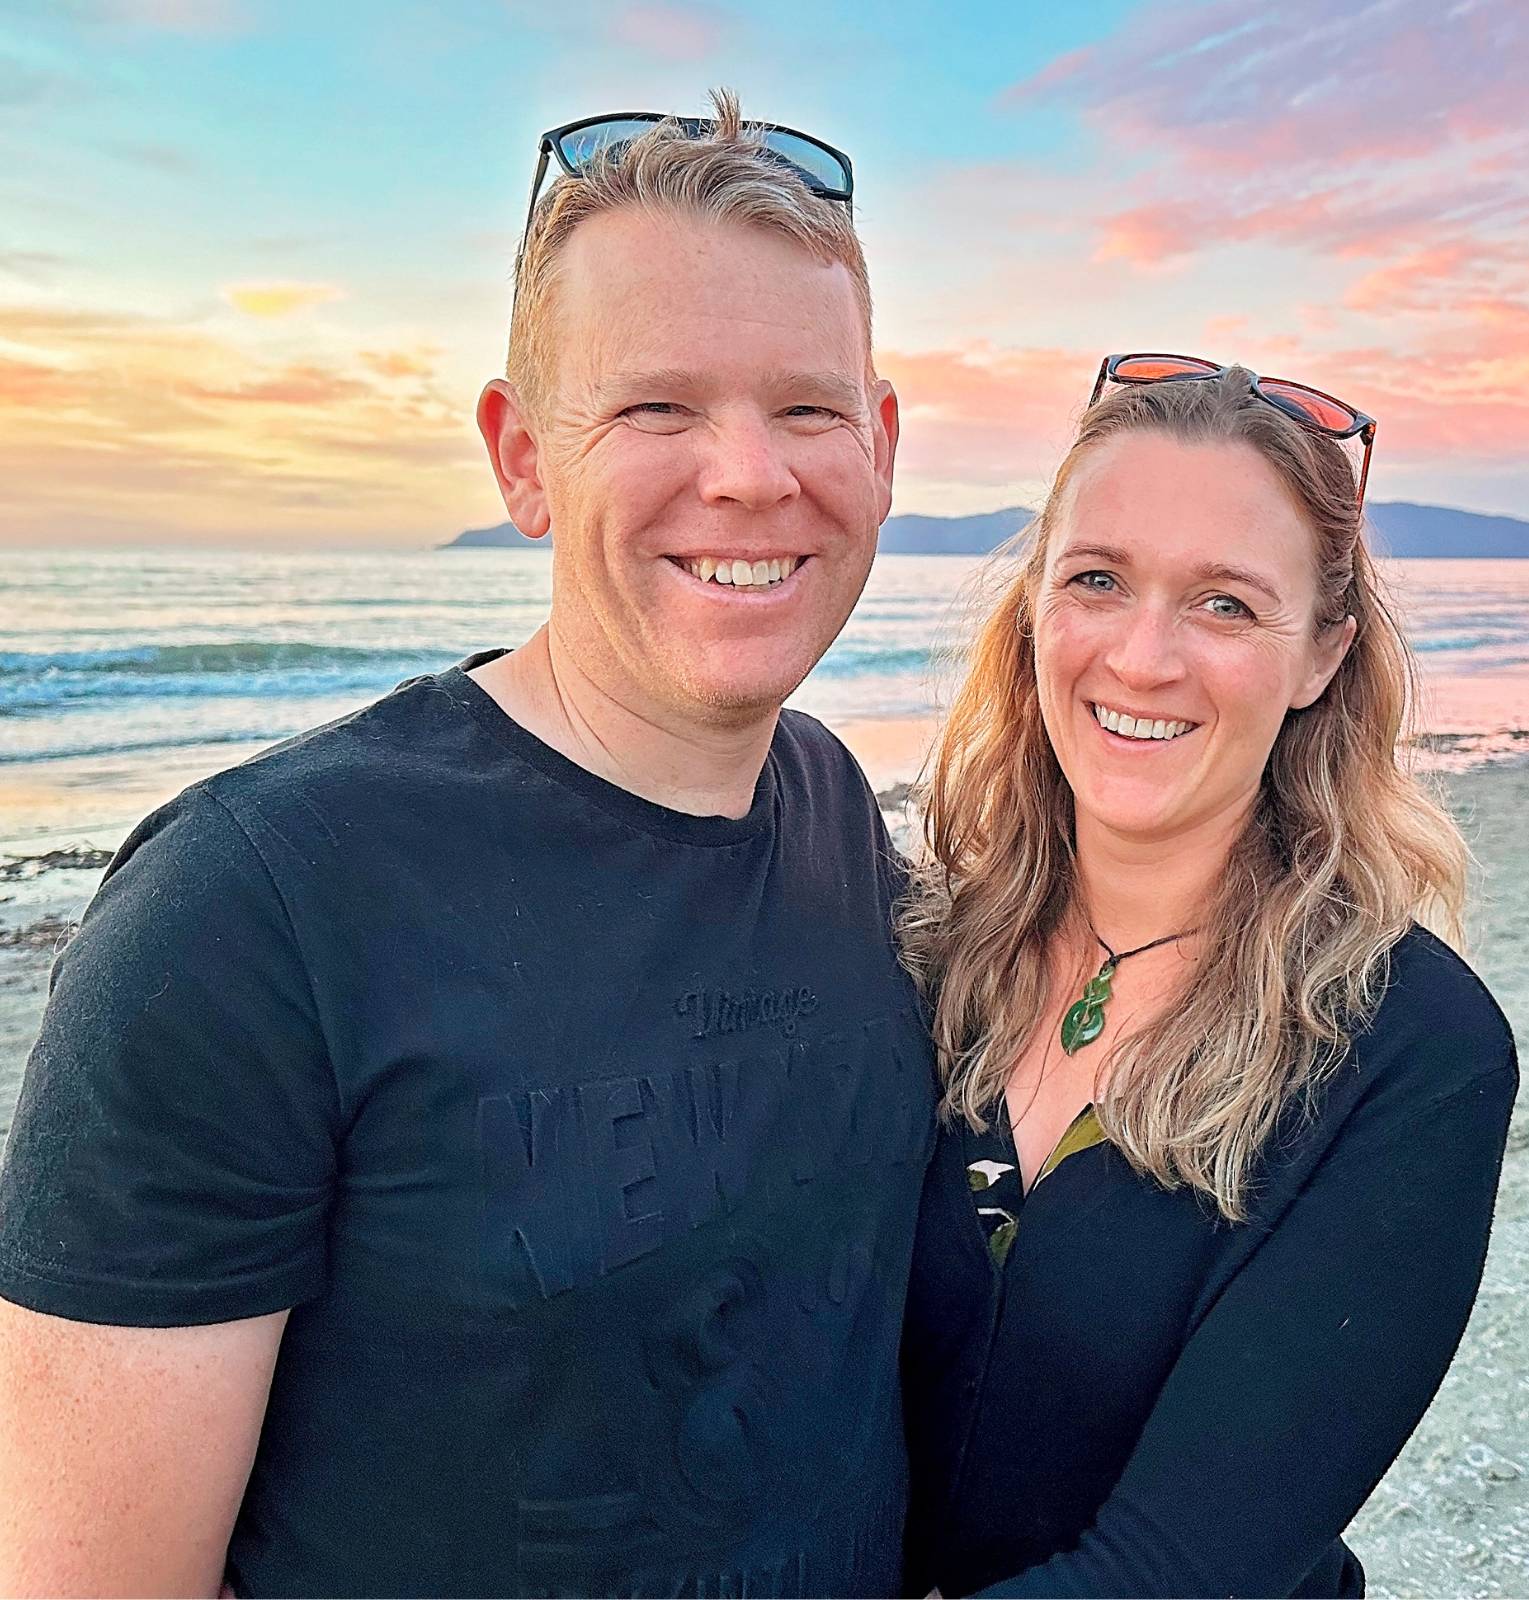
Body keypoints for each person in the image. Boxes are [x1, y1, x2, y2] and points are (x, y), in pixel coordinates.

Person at [0, 95, 933, 1597]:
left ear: (880, 449)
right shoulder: (250, 912)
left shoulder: (837, 817)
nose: (753, 474)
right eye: (658, 409)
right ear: (521, 461)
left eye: (809, 409)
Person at [897, 355, 1519, 1597]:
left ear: (1323, 654)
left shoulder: (1409, 1052)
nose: (1141, 657)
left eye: (1226, 605)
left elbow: (1180, 1571)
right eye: (1096, 580)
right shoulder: (915, 949)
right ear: (1034, 612)